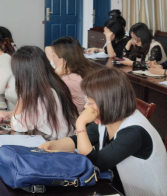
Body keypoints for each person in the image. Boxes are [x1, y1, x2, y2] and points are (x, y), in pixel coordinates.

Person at [39, 67, 167, 196]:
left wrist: (80, 123)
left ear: (108, 102)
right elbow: (78, 140)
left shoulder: (134, 132)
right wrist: (53, 145)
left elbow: (94, 164)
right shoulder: (108, 119)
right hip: (116, 187)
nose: (86, 106)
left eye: (90, 102)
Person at [0, 46, 78, 140]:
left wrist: (22, 93)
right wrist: (10, 114)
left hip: (56, 144)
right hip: (57, 140)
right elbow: (34, 116)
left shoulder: (45, 96)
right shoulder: (50, 86)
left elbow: (17, 125)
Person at [46, 37, 93, 113]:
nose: (52, 59)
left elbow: (45, 96)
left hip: (70, 118)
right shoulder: (77, 72)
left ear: (63, 60)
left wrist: (56, 74)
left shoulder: (69, 81)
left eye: (53, 55)